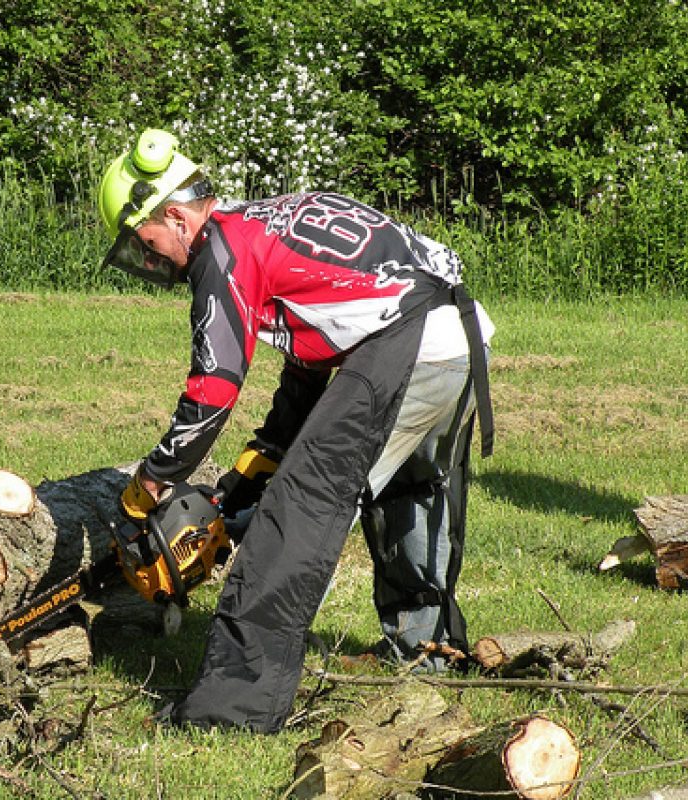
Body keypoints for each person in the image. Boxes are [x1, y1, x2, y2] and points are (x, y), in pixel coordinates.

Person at [98, 128, 495, 734]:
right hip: (462, 335)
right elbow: (312, 361)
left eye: (142, 239)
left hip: (410, 341)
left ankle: (233, 707)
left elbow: (214, 388)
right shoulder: (261, 223)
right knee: (407, 489)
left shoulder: (220, 255)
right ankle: (429, 650)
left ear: (174, 216)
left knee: (299, 509)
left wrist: (153, 480)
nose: (146, 256)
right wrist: (255, 466)